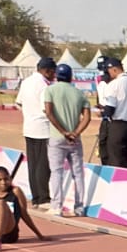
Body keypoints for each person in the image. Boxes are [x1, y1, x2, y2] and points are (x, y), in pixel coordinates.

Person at [43, 63, 91, 215]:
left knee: (56, 172)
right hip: (74, 139)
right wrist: (75, 132)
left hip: (57, 137)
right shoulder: (79, 93)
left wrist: (63, 131)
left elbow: (49, 112)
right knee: (78, 173)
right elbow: (87, 117)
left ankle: (56, 206)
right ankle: (79, 207)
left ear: (57, 75)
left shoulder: (50, 90)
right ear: (71, 76)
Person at [15, 58, 56, 209]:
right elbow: (47, 109)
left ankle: (36, 197)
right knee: (43, 164)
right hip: (43, 129)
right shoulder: (44, 86)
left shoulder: (26, 82)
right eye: (53, 72)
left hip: (29, 127)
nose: (54, 75)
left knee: (33, 164)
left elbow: (18, 103)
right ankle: (43, 198)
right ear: (47, 71)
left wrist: (29, 113)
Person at [97, 59, 127, 170]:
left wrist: (102, 113)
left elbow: (110, 109)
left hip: (118, 126)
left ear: (114, 69)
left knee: (116, 160)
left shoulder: (114, 84)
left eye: (109, 71)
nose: (108, 74)